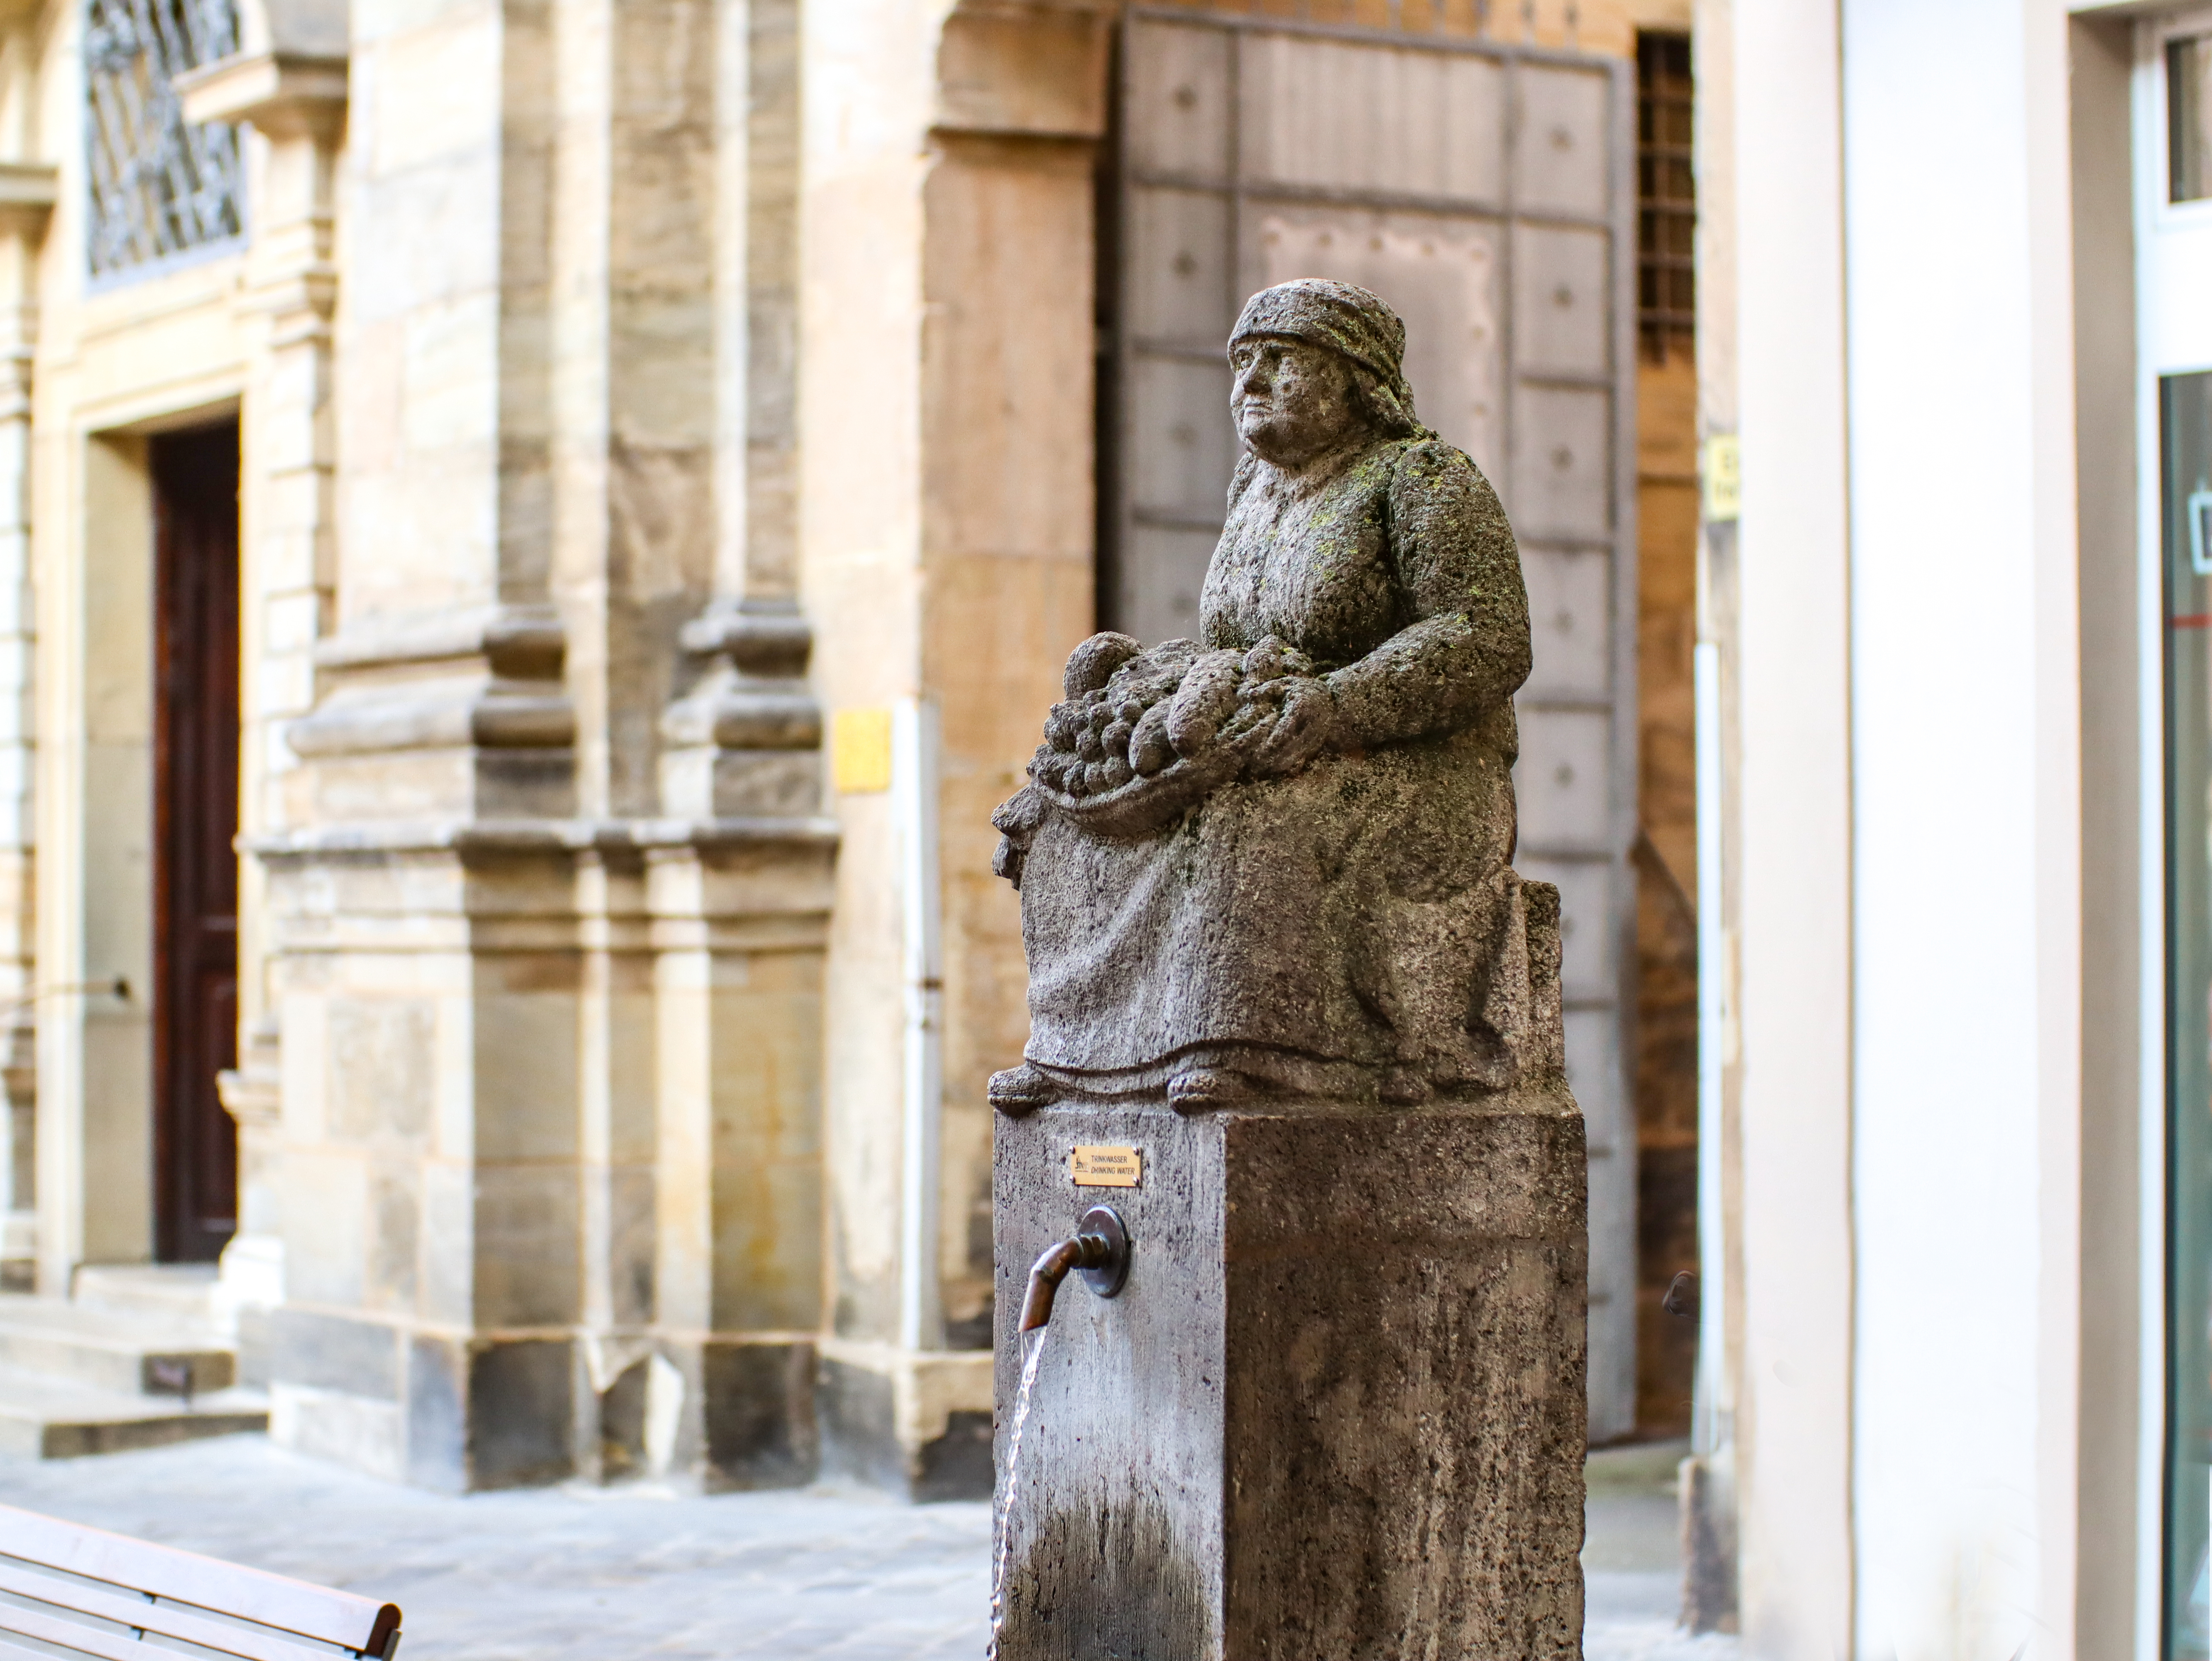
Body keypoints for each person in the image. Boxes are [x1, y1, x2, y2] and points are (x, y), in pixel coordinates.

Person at [990, 278, 1546, 1112]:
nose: (1250, 382)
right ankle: (1081, 1056)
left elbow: (1487, 634)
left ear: (1355, 380)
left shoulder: (1422, 478)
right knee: (1053, 818)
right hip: (1273, 736)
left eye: (1281, 361)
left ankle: (1242, 1046)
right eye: (1242, 362)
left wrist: (1340, 702)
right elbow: (1234, 652)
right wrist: (1145, 677)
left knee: (1245, 817)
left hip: (1414, 770)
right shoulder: (1253, 495)